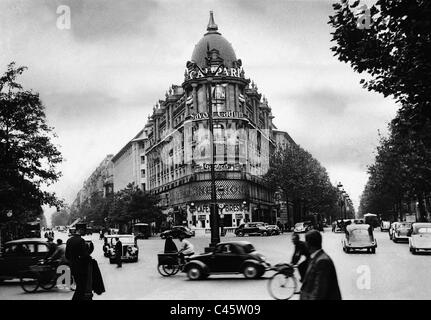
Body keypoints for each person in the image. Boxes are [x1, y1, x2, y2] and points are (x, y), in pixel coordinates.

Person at [300, 230, 341, 300]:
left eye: (306, 241)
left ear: (308, 244)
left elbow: (319, 292)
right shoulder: (316, 258)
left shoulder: (322, 261)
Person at [65, 228, 93, 300]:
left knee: (79, 285)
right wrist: (89, 254)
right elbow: (84, 254)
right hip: (81, 267)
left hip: (73, 266)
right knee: (82, 286)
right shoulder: (81, 240)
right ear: (80, 232)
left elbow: (67, 255)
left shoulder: (69, 240)